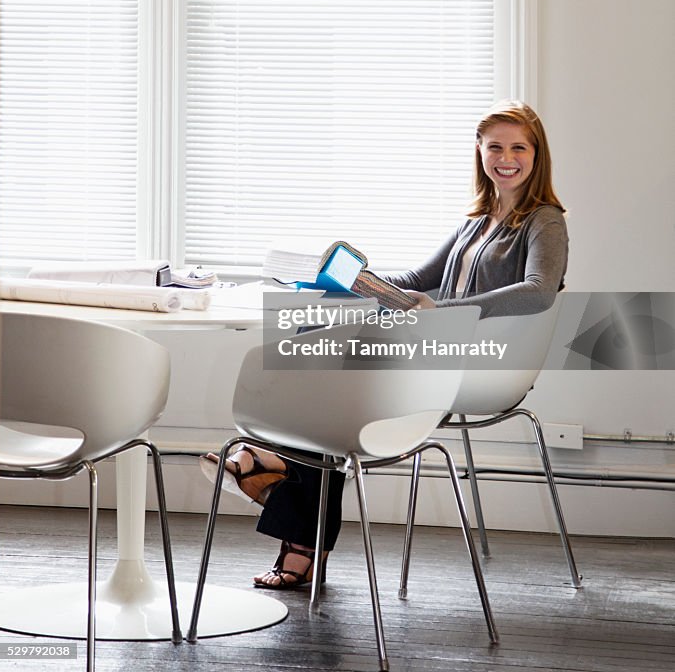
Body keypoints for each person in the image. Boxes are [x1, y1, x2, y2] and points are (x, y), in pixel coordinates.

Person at [200, 99, 568, 589]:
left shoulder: (545, 219)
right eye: (495, 146)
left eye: (519, 147)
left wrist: (446, 311)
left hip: (482, 363)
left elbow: (539, 290)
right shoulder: (476, 221)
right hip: (436, 347)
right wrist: (347, 282)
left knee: (327, 368)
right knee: (312, 336)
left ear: (536, 154)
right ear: (479, 152)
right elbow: (417, 279)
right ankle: (288, 493)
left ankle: (280, 472)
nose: (507, 157)